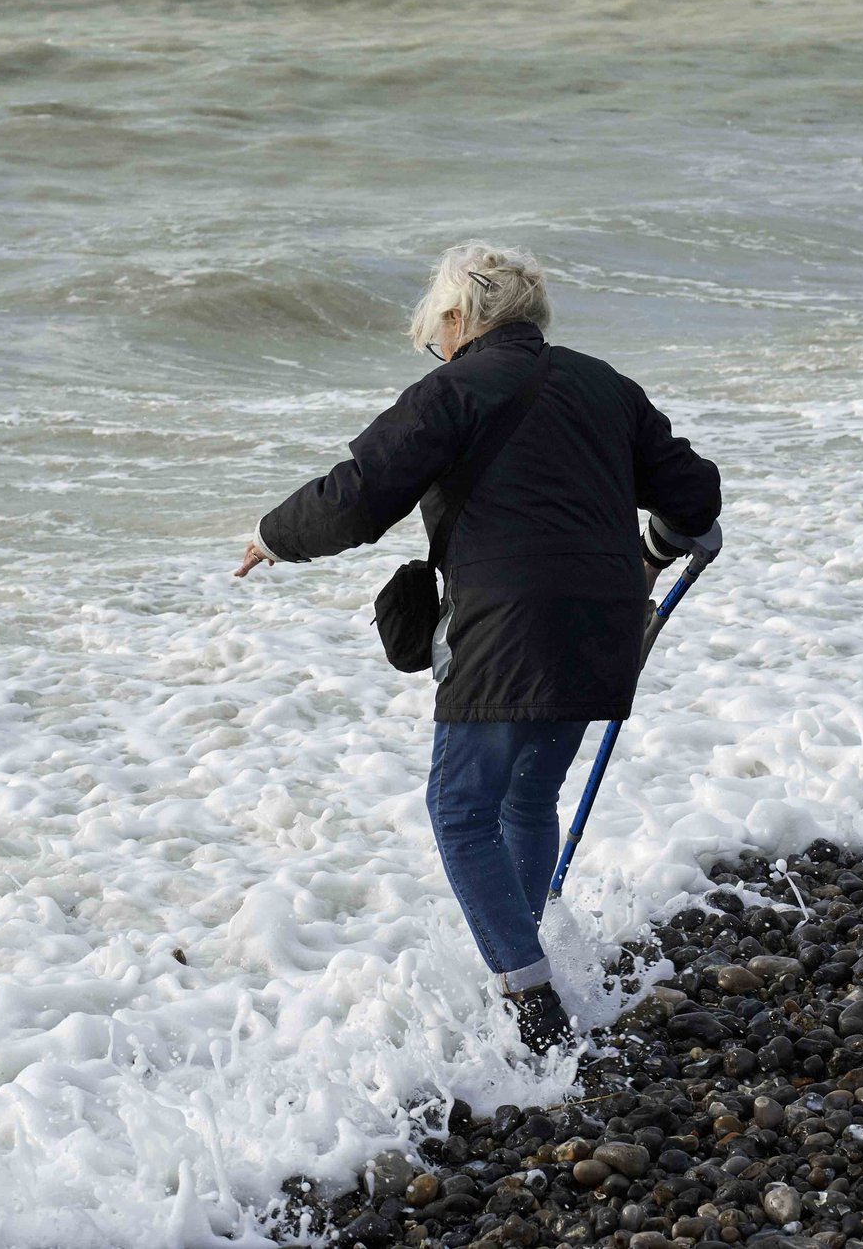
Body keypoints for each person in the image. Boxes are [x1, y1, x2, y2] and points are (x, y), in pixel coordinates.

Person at [234, 243, 721, 1054]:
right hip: (606, 623)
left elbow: (359, 496)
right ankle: (529, 972)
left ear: (460, 318)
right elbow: (695, 495)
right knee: (525, 803)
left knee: (459, 810)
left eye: (440, 328)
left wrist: (271, 537)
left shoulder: (452, 390)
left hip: (505, 626)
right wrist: (659, 550)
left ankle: (530, 1002)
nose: (440, 342)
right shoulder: (606, 385)